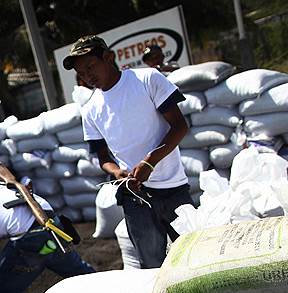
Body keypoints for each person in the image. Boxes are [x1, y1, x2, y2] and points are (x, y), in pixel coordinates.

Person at [63, 35, 192, 268]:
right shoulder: (91, 109)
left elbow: (180, 127)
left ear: (108, 57)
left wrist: (149, 163)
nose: (87, 76)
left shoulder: (147, 79)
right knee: (153, 267)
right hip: (135, 196)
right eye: (81, 73)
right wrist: (116, 172)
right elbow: (103, 158)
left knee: (192, 258)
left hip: (173, 189)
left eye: (91, 67)